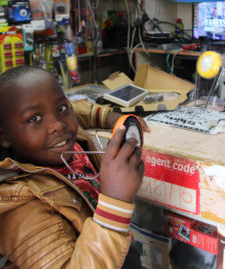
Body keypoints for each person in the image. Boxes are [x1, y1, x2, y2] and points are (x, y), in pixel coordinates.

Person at [0, 65, 150, 268]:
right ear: (4, 136)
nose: (58, 125)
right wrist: (116, 200)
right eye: (34, 118)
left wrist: (108, 117)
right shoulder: (21, 205)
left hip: (117, 249)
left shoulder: (57, 142)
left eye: (61, 109)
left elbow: (77, 109)